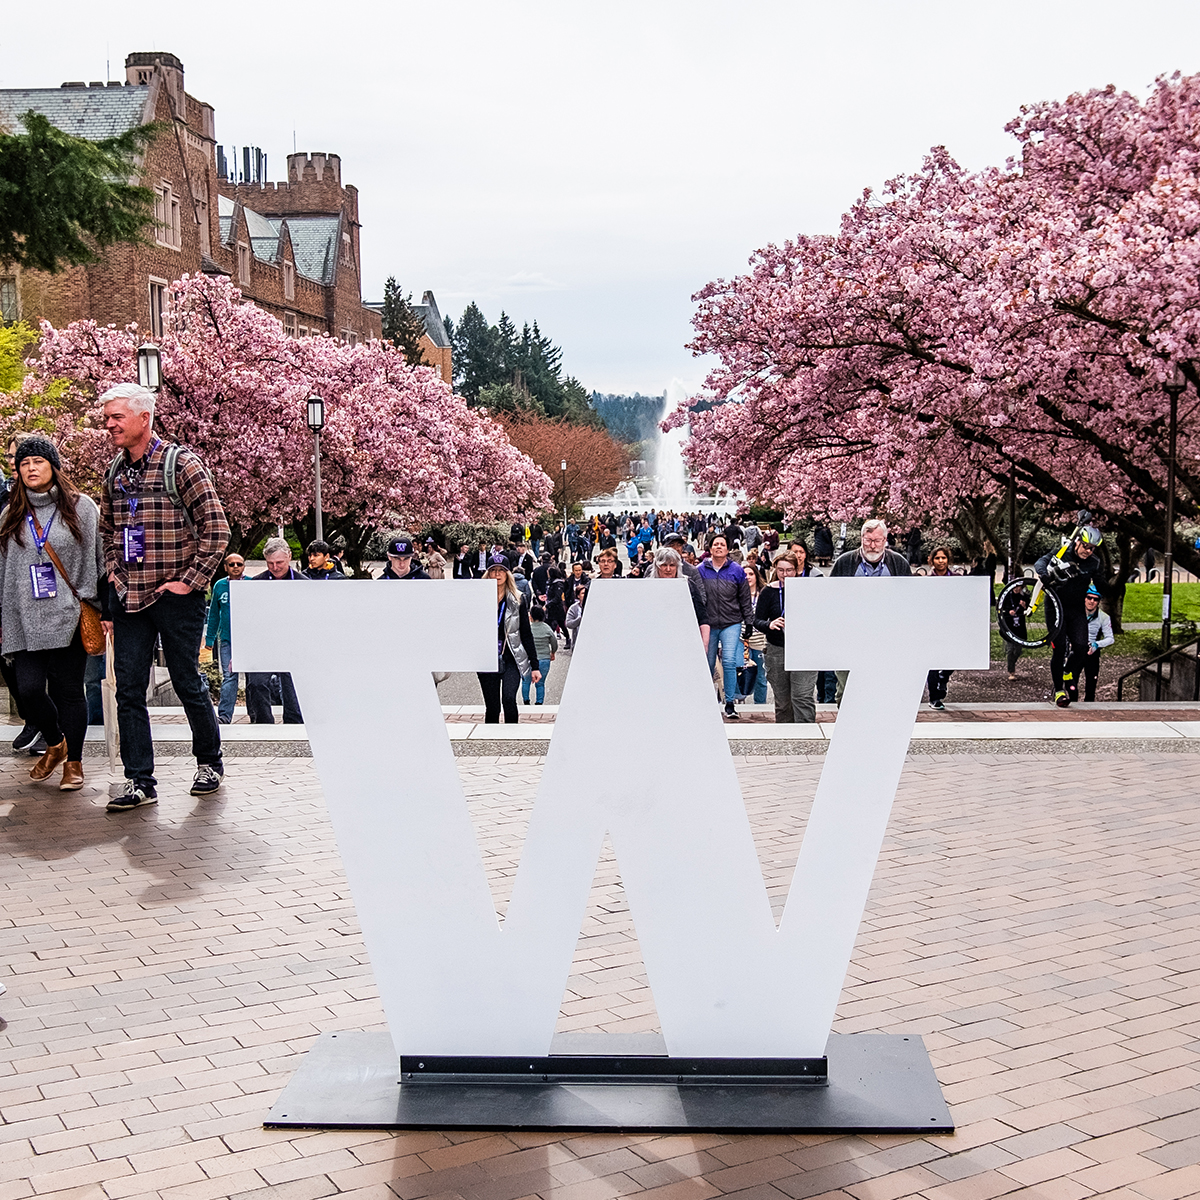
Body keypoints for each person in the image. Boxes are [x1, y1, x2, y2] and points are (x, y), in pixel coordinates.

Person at [99, 383, 229, 811]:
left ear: (144, 418)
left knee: (188, 682)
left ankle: (209, 763)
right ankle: (140, 781)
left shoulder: (181, 465)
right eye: (107, 417)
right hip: (130, 598)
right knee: (129, 691)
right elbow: (107, 533)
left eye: (118, 416)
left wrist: (190, 581)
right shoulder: (115, 472)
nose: (110, 423)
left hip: (175, 598)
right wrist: (115, 577)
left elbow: (217, 529)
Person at [0, 437, 104, 789]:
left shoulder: (81, 507)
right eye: (24, 463)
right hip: (22, 618)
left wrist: (101, 606)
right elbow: (4, 570)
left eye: (38, 462)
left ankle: (73, 762)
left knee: (69, 690)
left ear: (54, 467)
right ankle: (55, 742)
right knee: (28, 690)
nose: (30, 468)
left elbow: (98, 558)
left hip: (67, 614)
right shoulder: (10, 513)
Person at [829, 519, 911, 704]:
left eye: (877, 541)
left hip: (888, 638)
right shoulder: (845, 563)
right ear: (861, 538)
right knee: (846, 691)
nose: (872, 546)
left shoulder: (899, 563)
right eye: (868, 540)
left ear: (885, 540)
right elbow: (831, 600)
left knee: (884, 688)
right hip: (850, 637)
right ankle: (849, 730)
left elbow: (909, 602)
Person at [1035, 525, 1104, 706]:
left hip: (1076, 608)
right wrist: (1044, 575)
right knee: (1059, 648)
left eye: (1092, 549)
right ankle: (1059, 691)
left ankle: (1068, 671)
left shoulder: (1094, 562)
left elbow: (1101, 582)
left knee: (1081, 647)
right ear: (1078, 541)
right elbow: (1040, 563)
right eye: (1086, 546)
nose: (1088, 551)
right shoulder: (1063, 552)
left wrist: (1108, 586)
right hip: (1056, 606)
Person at [244, 539, 305, 724]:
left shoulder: (304, 584)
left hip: (294, 643)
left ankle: (294, 724)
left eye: (280, 563)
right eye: (270, 563)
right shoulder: (256, 583)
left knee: (293, 687)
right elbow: (246, 620)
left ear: (289, 557)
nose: (275, 567)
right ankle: (263, 723)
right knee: (256, 683)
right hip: (264, 643)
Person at [755, 552, 819, 724]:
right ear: (776, 569)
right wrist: (769, 624)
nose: (785, 574)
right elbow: (756, 620)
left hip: (804, 648)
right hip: (777, 648)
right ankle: (786, 736)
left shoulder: (808, 590)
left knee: (802, 697)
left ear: (797, 570)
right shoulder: (769, 591)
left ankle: (807, 737)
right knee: (783, 701)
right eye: (781, 570)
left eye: (789, 570)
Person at [698, 534, 754, 720]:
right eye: (716, 544)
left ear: (728, 549)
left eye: (723, 544)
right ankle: (705, 701)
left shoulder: (736, 570)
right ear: (710, 548)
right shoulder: (700, 570)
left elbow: (745, 599)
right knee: (707, 663)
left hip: (731, 622)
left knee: (729, 661)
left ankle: (730, 703)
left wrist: (749, 622)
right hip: (709, 623)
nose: (719, 547)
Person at [478, 564, 540, 723]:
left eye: (501, 570)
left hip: (511, 656)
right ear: (488, 574)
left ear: (507, 574)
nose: (497, 574)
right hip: (486, 658)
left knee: (508, 698)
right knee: (492, 706)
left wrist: (535, 666)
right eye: (493, 570)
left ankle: (512, 737)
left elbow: (526, 633)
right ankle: (490, 740)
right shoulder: (479, 598)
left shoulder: (518, 599)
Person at [204, 553, 246, 724]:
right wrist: (209, 639)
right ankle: (224, 716)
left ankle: (256, 713)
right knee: (229, 676)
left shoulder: (252, 583)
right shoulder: (219, 586)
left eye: (239, 563)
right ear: (226, 567)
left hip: (248, 639)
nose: (235, 567)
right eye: (232, 564)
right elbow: (214, 614)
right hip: (227, 639)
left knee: (254, 679)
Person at [647, 547, 709, 640]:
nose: (668, 569)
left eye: (672, 565)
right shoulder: (648, 586)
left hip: (683, 635)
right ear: (657, 567)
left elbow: (702, 617)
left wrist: (704, 645)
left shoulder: (689, 585)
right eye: (664, 565)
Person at [925, 546, 959, 709]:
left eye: (943, 558)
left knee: (952, 658)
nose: (941, 561)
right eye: (937, 558)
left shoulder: (957, 579)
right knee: (931, 662)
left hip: (951, 625)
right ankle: (934, 698)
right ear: (932, 560)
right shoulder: (927, 581)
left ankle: (944, 676)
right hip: (931, 625)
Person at [740, 565, 769, 704]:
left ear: (756, 576)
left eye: (751, 574)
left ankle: (760, 705)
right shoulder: (737, 594)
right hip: (741, 642)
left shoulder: (764, 594)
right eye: (744, 574)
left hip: (759, 642)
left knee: (760, 677)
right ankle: (739, 702)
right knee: (741, 674)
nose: (747, 577)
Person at [1082, 583, 1114, 702]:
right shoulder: (1077, 613)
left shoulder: (1104, 617)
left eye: (1095, 599)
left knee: (1091, 684)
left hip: (1092, 652)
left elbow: (1110, 638)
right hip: (1076, 649)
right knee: (1071, 679)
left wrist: (1097, 644)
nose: (1091, 601)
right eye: (1089, 598)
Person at [522, 604, 558, 705]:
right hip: (544, 658)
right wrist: (553, 652)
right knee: (541, 683)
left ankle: (526, 700)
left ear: (531, 616)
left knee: (526, 681)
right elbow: (554, 642)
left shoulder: (528, 628)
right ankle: (539, 702)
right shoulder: (547, 628)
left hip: (528, 659)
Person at [565, 583, 587, 649]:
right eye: (583, 593)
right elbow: (568, 624)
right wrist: (579, 619)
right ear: (578, 596)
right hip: (577, 642)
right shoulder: (573, 608)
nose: (585, 595)